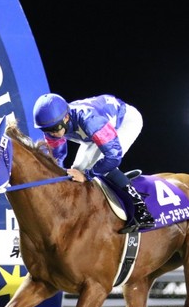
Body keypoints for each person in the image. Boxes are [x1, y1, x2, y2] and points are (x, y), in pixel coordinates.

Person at [32, 93, 156, 233]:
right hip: (94, 131)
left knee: (92, 168)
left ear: (66, 117)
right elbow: (58, 158)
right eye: (46, 130)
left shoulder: (90, 120)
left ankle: (142, 210)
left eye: (55, 128)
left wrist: (87, 175)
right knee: (76, 170)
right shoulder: (52, 125)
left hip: (124, 122)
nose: (52, 134)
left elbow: (113, 157)